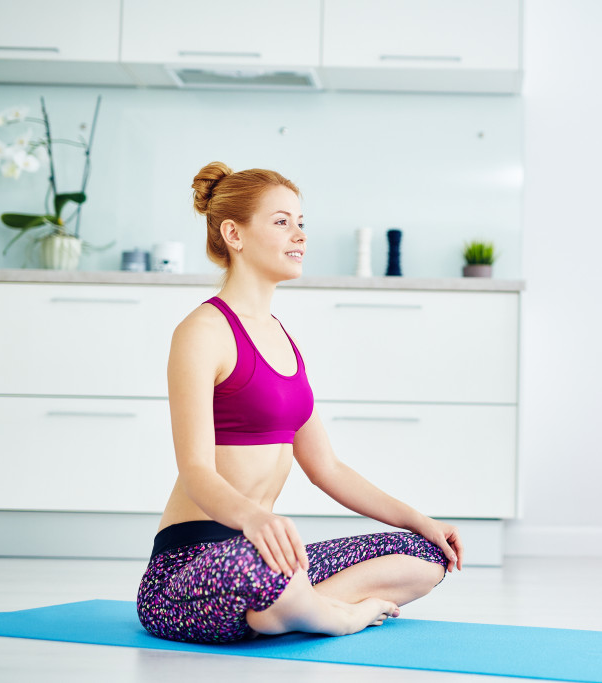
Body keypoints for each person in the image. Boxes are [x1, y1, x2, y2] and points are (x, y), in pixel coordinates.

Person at [136, 162, 463, 644]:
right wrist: (254, 518)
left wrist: (423, 520)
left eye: (301, 223)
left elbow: (327, 467)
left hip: (265, 555)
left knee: (422, 557)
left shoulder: (282, 339)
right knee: (262, 564)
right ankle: (330, 613)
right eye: (282, 221)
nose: (300, 236)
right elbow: (196, 469)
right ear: (234, 234)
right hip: (190, 571)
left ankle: (288, 608)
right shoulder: (202, 332)